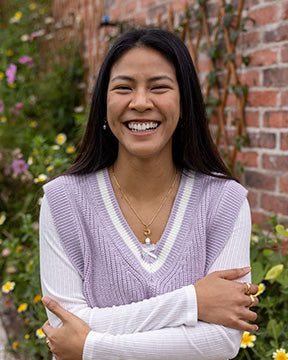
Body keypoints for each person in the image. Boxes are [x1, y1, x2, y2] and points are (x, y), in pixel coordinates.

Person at [39, 28, 259, 360]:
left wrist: (92, 348)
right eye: (124, 88)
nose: (140, 103)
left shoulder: (224, 203)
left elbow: (222, 341)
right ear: (103, 104)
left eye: (159, 87)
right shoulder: (63, 203)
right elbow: (64, 328)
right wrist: (192, 302)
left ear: (184, 103)